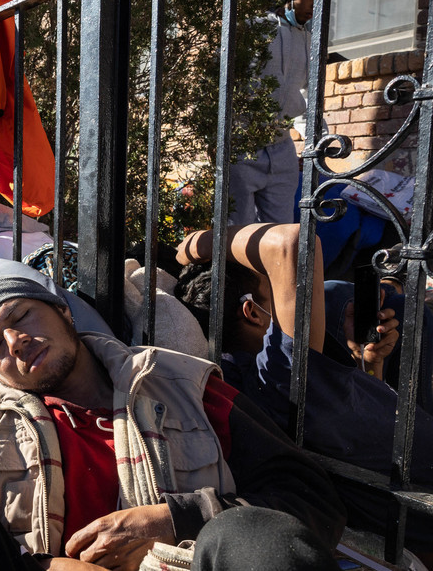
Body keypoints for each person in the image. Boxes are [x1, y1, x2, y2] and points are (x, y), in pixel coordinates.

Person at [0, 275, 346, 571]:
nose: (14, 341)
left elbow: (312, 501)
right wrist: (43, 567)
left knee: (249, 537)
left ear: (62, 313)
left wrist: (173, 518)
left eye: (20, 316)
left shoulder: (184, 386)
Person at [175, 223, 433, 563]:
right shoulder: (278, 373)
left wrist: (369, 366)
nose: (301, 300)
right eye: (275, 290)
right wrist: (198, 243)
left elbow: (358, 435)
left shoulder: (269, 379)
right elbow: (292, 243)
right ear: (252, 311)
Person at [228, 0, 315, 225]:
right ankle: (237, 269)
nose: (316, 2)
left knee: (281, 230)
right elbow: (228, 82)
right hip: (244, 146)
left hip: (281, 148)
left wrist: (316, 135)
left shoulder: (310, 40)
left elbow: (308, 92)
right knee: (238, 232)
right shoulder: (255, 28)